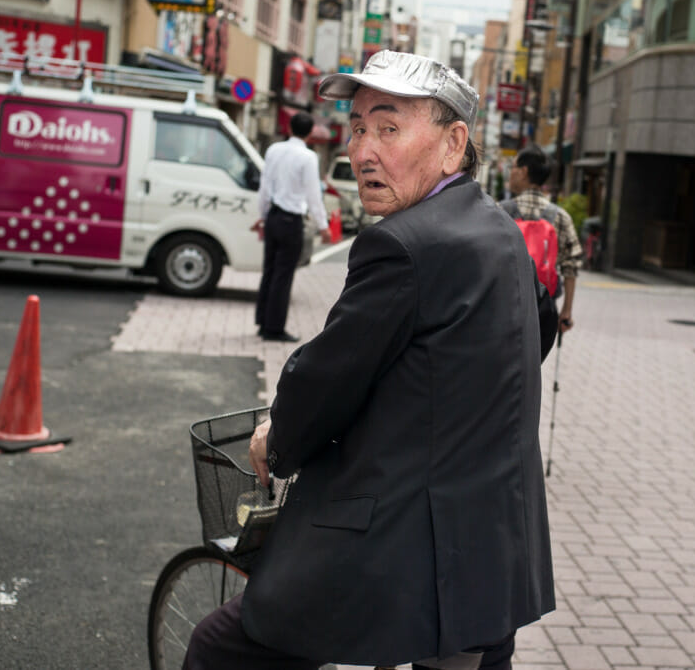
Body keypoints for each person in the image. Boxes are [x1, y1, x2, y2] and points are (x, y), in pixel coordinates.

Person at [184, 50, 554, 670]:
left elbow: (327, 378)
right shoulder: (496, 229)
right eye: (357, 128)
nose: (362, 152)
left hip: (413, 550)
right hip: (495, 547)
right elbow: (533, 331)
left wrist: (276, 442)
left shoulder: (403, 245)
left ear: (452, 144)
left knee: (220, 650)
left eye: (389, 127)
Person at [253, 111, 330, 342]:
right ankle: (274, 329)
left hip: (274, 216)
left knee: (269, 270)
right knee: (283, 276)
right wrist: (323, 225)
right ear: (309, 134)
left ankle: (262, 321)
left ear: (289, 129)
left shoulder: (273, 151)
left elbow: (265, 187)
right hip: (291, 220)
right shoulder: (308, 158)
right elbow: (313, 194)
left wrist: (263, 215)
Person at [502, 146, 582, 337]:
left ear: (523, 172)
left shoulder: (500, 212)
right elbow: (571, 267)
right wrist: (566, 311)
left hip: (504, 304)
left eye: (512, 168)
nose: (510, 174)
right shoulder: (560, 217)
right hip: (543, 308)